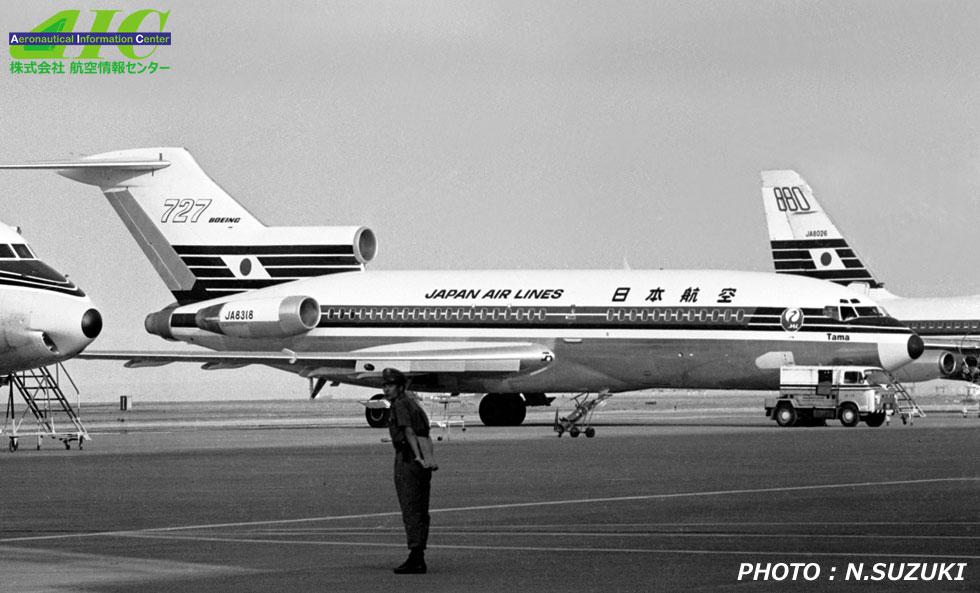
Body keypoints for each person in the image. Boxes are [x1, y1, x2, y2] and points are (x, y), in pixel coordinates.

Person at [382, 367, 435, 574]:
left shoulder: (400, 405)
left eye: (391, 386)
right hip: (422, 461)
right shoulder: (413, 403)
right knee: (421, 509)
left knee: (411, 508)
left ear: (400, 387)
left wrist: (418, 457)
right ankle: (418, 553)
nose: (387, 390)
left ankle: (416, 557)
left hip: (408, 460)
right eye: (385, 386)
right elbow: (425, 433)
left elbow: (409, 432)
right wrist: (427, 459)